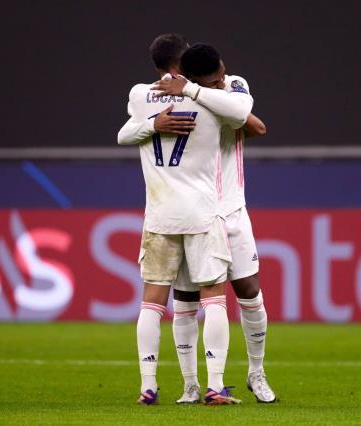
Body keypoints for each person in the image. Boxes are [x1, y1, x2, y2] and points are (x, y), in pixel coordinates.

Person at [117, 34, 252, 405]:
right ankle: (214, 385)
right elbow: (243, 115)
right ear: (184, 65)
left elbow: (123, 134)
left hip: (159, 215)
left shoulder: (140, 96)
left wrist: (152, 124)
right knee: (213, 299)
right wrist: (194, 90)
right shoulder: (209, 102)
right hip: (202, 214)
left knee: (152, 302)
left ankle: (148, 386)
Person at [148, 43, 277, 404]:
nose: (222, 82)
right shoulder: (174, 101)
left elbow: (247, 117)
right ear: (193, 77)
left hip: (232, 210)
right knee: (187, 298)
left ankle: (257, 372)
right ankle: (191, 384)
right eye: (214, 80)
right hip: (194, 213)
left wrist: (196, 91)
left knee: (249, 289)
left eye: (222, 74)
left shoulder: (234, 85)